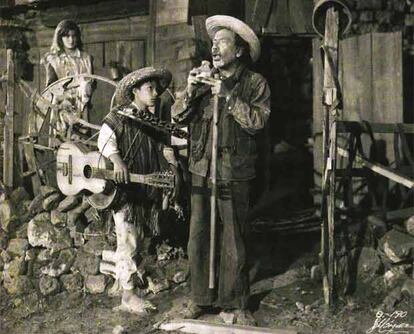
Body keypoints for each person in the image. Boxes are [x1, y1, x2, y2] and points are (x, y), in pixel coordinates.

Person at [172, 15, 271, 325]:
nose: (215, 48)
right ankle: (200, 298)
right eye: (213, 43)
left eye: (223, 42)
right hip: (202, 168)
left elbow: (258, 121)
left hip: (234, 170)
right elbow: (177, 118)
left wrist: (227, 95)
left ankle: (237, 301)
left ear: (239, 51)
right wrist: (189, 91)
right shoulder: (202, 79)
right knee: (198, 235)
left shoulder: (255, 83)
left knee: (234, 238)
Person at [97, 67, 179, 314]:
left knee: (134, 241)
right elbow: (105, 139)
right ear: (135, 91)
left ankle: (122, 283)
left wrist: (173, 167)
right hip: (125, 193)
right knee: (129, 242)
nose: (155, 94)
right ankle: (128, 296)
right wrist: (117, 161)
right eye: (149, 89)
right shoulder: (120, 116)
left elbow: (166, 147)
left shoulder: (153, 122)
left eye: (156, 89)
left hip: (145, 190)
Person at [41, 20, 94, 145]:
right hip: (62, 106)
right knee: (63, 145)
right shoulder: (53, 59)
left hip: (82, 105)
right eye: (66, 36)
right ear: (60, 38)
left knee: (81, 146)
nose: (71, 40)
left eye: (74, 36)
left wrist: (84, 87)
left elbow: (91, 83)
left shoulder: (86, 58)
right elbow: (51, 87)